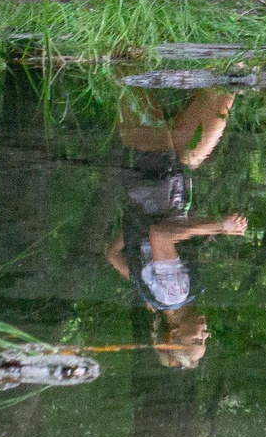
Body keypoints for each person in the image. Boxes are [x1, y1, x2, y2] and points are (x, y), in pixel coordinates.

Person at [104, 88, 251, 369]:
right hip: (149, 183)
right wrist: (139, 226)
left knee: (133, 82)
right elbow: (112, 255)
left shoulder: (173, 293)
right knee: (215, 110)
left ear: (175, 334)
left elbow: (160, 236)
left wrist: (220, 226)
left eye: (197, 341)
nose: (205, 334)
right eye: (204, 340)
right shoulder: (152, 300)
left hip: (156, 179)